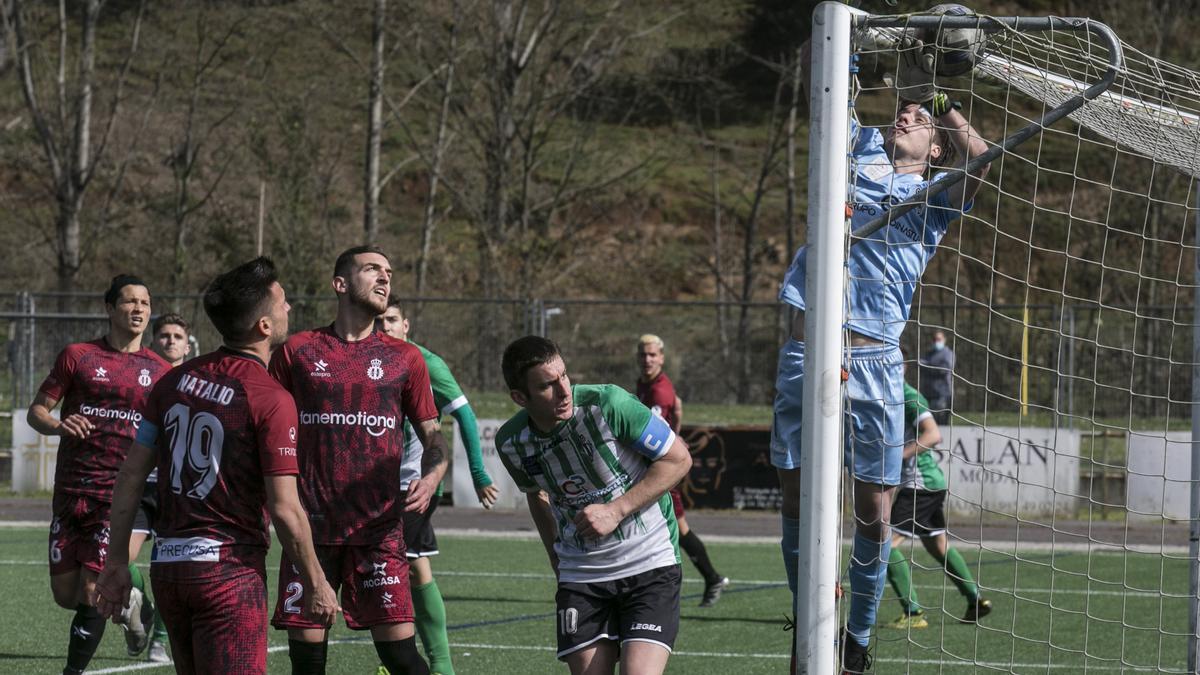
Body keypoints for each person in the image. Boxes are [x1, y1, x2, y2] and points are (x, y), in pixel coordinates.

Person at [772, 40, 992, 673]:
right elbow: (825, 91)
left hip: (873, 363)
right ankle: (807, 629)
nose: (905, 117)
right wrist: (847, 51)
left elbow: (985, 158)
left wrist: (939, 99)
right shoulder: (858, 151)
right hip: (805, 351)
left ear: (936, 149)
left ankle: (859, 640)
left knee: (874, 510)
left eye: (919, 121)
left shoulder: (937, 195)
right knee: (795, 496)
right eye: (904, 111)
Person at [94, 257, 338, 674]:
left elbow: (132, 474)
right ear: (263, 326)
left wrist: (116, 562)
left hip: (168, 570)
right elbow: (285, 507)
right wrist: (316, 579)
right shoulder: (270, 398)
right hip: (227, 576)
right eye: (282, 302)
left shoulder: (172, 382)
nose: (289, 309)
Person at [269, 245, 449, 675]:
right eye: (372, 270)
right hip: (308, 531)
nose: (385, 278)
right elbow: (264, 424)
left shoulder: (405, 358)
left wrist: (432, 474)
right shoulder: (298, 351)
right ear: (341, 283)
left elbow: (434, 436)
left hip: (378, 531)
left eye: (388, 271)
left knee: (402, 658)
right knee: (307, 665)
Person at [495, 336, 692, 675]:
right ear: (519, 398)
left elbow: (678, 459)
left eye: (565, 376)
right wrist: (556, 558)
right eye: (547, 386)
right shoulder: (513, 444)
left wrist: (615, 510)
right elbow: (536, 494)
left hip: (650, 562)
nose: (564, 391)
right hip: (582, 575)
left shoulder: (609, 404)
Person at [26, 274, 171, 675]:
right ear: (109, 308)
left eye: (145, 302)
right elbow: (36, 411)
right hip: (71, 491)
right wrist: (58, 424)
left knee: (92, 589)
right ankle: (134, 602)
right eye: (129, 302)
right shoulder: (78, 355)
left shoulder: (160, 371)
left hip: (118, 494)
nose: (139, 309)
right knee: (65, 594)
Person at [377, 297, 499, 675]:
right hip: (365, 488)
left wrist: (478, 474)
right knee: (400, 570)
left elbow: (463, 413)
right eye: (379, 320)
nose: (385, 327)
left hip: (412, 484)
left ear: (406, 325)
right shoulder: (362, 361)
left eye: (392, 320)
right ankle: (403, 659)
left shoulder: (425, 363)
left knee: (402, 568)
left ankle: (436, 665)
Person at [885, 356, 991, 629]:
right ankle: (975, 600)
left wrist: (899, 458)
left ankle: (914, 613)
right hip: (930, 484)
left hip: (920, 484)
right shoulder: (888, 397)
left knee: (883, 544)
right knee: (938, 546)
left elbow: (932, 435)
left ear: (902, 367)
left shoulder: (909, 397)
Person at [635, 333, 728, 607]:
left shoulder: (658, 391)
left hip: (661, 470)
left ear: (662, 358)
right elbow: (678, 407)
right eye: (643, 355)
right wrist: (676, 435)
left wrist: (671, 446)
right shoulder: (647, 383)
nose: (647, 359)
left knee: (676, 529)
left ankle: (710, 578)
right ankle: (711, 578)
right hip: (656, 467)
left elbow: (649, 428)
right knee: (667, 527)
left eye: (652, 355)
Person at [918, 330, 955, 426]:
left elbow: (944, 370)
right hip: (927, 395)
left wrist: (928, 366)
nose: (936, 341)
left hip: (942, 395)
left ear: (944, 340)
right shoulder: (929, 354)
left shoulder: (948, 354)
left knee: (941, 424)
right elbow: (920, 365)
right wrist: (932, 366)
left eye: (939, 339)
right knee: (929, 424)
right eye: (934, 339)